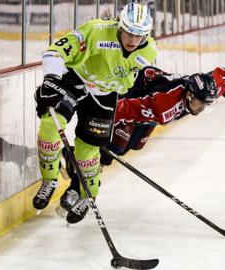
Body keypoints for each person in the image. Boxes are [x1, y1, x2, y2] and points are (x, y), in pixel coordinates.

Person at [58, 66, 225, 223]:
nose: (203, 109)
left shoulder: (203, 89)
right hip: (133, 96)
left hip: (148, 106)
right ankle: (78, 189)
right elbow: (124, 109)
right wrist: (97, 132)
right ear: (189, 95)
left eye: (208, 104)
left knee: (134, 145)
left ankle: (74, 159)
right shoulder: (163, 105)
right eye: (201, 104)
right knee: (111, 151)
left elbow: (224, 77)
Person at [33, 2, 157, 224]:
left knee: (88, 151)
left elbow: (128, 83)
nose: (132, 40)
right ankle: (49, 180)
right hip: (74, 81)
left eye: (139, 36)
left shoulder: (149, 50)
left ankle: (85, 195)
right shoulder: (96, 30)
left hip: (105, 93)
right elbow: (54, 53)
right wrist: (51, 80)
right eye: (129, 32)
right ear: (120, 25)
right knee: (51, 123)